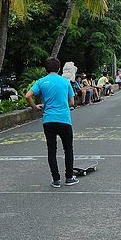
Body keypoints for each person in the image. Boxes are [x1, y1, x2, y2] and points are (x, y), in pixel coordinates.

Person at [26, 58, 79, 188]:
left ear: (46, 69)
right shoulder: (65, 82)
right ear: (59, 69)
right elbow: (72, 103)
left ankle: (56, 179)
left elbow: (28, 95)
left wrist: (35, 107)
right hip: (64, 119)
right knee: (68, 149)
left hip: (48, 120)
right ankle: (69, 177)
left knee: (51, 150)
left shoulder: (41, 81)